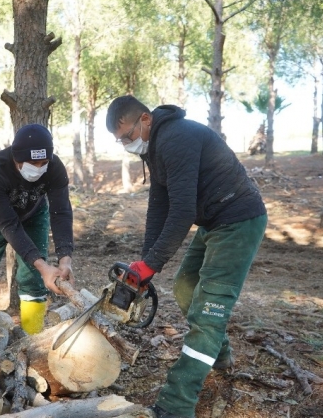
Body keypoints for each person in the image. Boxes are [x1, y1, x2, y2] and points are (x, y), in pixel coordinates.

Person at [105, 96, 267, 418]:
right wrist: (144, 262)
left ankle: (176, 406)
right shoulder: (156, 147)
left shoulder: (177, 137)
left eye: (127, 135)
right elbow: (159, 204)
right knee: (184, 288)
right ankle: (219, 356)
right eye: (120, 140)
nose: (126, 143)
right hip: (213, 221)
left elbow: (182, 211)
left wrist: (152, 264)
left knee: (208, 312)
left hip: (238, 220)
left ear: (145, 119)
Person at [0, 123, 74, 335]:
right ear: (16, 158)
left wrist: (65, 258)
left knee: (34, 280)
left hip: (34, 217)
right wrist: (43, 265)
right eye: (32, 163)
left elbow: (61, 213)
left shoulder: (55, 168)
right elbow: (9, 225)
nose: (38, 168)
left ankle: (32, 340)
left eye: (43, 162)